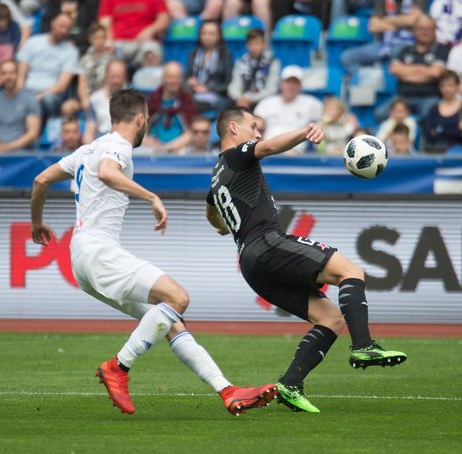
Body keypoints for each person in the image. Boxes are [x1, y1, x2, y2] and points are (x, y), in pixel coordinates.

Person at [29, 88, 278, 416]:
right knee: (178, 298)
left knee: (170, 321)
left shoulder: (88, 148)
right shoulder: (117, 147)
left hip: (81, 258)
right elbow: (107, 172)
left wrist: (37, 223)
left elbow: (40, 179)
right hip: (99, 251)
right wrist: (151, 197)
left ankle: (228, 391)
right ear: (140, 119)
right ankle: (119, 366)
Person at [206, 107, 407, 413]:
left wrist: (224, 227)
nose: (258, 132)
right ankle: (364, 345)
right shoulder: (236, 155)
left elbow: (211, 211)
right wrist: (304, 132)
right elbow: (270, 147)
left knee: (331, 319)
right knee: (351, 272)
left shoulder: (217, 173)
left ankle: (290, 384)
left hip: (250, 262)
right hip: (267, 243)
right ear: (233, 128)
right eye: (253, 126)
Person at [378, 14, 449, 122]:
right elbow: (394, 70)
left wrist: (406, 73)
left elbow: (435, 73)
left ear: (434, 31)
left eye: (428, 29)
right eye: (421, 29)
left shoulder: (441, 49)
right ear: (414, 31)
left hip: (429, 97)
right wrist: (424, 71)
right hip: (403, 97)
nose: (424, 32)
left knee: (427, 115)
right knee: (380, 114)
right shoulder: (405, 50)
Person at [17, 12, 80, 121]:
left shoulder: (71, 51)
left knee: (48, 100)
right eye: (61, 26)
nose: (64, 31)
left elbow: (62, 86)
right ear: (52, 23)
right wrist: (21, 94)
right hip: (27, 91)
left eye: (68, 28)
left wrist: (38, 97)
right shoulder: (33, 42)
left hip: (50, 96)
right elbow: (20, 75)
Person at [340, 0, 425, 77]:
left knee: (396, 53)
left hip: (407, 43)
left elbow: (413, 20)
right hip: (383, 44)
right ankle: (370, 80)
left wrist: (384, 22)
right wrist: (400, 24)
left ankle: (387, 84)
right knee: (348, 57)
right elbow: (373, 26)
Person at [254, 65, 323, 154]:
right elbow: (255, 127)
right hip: (267, 150)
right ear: (281, 83)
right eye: (288, 82)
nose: (291, 86)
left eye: (295, 83)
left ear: (300, 85)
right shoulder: (266, 103)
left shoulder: (312, 103)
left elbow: (325, 120)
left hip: (294, 152)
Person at [0, 60, 41, 153]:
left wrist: (9, 147)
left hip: (21, 152)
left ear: (17, 75)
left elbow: (33, 133)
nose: (8, 77)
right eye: (4, 73)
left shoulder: (30, 99)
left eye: (11, 73)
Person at [98, 0, 169, 69]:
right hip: (119, 44)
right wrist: (109, 39)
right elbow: (105, 23)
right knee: (105, 54)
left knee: (151, 52)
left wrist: (150, 31)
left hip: (145, 44)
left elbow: (164, 19)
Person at [145, 61, 197, 153]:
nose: (173, 81)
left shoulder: (187, 101)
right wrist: (147, 140)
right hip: (152, 147)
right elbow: (142, 128)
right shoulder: (153, 99)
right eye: (170, 77)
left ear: (181, 79)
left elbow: (191, 133)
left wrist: (168, 148)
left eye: (176, 77)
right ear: (163, 78)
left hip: (179, 148)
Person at [423, 70, 462, 153]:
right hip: (436, 152)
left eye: (450, 85)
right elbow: (428, 134)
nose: (446, 89)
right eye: (443, 85)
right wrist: (458, 130)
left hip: (461, 154)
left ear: (457, 86)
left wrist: (440, 130)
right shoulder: (433, 110)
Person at [185, 20, 233, 115]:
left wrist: (208, 88)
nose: (207, 37)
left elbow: (228, 83)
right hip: (194, 92)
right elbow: (187, 76)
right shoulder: (194, 54)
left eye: (212, 34)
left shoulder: (225, 55)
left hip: (217, 95)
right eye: (204, 33)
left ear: (219, 36)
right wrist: (190, 82)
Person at [228, 28, 280, 109]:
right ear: (246, 45)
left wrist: (250, 99)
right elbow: (234, 83)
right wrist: (239, 97)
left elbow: (271, 89)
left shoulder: (273, 62)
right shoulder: (240, 61)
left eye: (257, 44)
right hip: (241, 100)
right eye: (250, 44)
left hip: (263, 101)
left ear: (264, 44)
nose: (254, 47)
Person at [83, 60, 128, 143]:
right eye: (113, 77)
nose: (116, 81)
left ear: (124, 78)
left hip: (125, 141)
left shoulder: (132, 100)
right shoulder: (94, 99)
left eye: (119, 77)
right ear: (106, 76)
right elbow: (89, 130)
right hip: (102, 141)